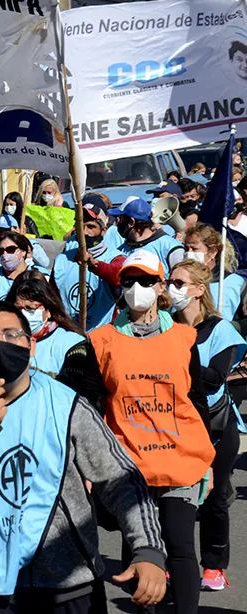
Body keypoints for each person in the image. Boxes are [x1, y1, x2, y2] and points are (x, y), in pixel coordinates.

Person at [0, 302, 167, 613]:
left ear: (31, 346)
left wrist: (148, 549)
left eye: (11, 335)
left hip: (68, 582)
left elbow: (120, 479)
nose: (0, 344)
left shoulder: (66, 405)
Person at [89, 251, 215, 614]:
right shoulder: (101, 340)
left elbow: (196, 400)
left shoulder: (184, 338)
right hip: (129, 463)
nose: (136, 288)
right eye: (129, 281)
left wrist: (208, 460)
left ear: (161, 287)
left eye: (145, 281)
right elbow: (92, 407)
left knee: (179, 543)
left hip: (180, 459)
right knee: (139, 548)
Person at [169, 260, 247, 592]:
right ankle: (174, 561)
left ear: (200, 290)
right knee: (174, 498)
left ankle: (214, 565)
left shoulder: (221, 330)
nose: (171, 288)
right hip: (173, 423)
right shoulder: (164, 325)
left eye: (179, 283)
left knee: (214, 497)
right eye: (169, 281)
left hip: (214, 426)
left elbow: (215, 377)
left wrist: (174, 362)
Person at [6, 272, 93, 397]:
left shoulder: (72, 344)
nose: (23, 314)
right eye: (18, 308)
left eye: (30, 308)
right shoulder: (3, 341)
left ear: (48, 311)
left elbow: (72, 389)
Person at [53, 197, 123, 330]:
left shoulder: (115, 258)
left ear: (103, 230)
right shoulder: (62, 260)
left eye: (91, 227)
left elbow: (119, 278)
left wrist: (95, 266)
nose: (84, 232)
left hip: (101, 336)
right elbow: (53, 301)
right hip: (69, 335)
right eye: (81, 226)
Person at [87, 197, 186, 280]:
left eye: (120, 219)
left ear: (131, 222)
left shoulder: (171, 247)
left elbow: (182, 283)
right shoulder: (120, 251)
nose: (116, 223)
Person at [184, 224, 246, 321]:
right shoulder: (179, 280)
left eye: (194, 249)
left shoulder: (237, 283)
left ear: (213, 252)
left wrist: (235, 326)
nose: (189, 253)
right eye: (186, 249)